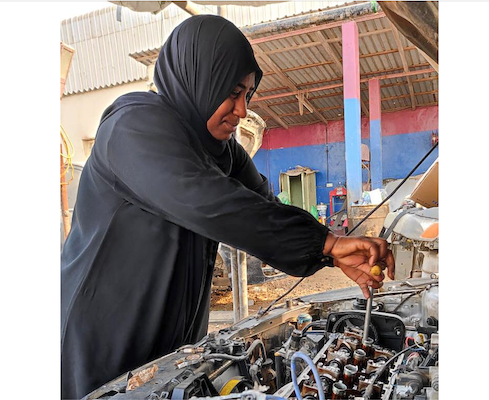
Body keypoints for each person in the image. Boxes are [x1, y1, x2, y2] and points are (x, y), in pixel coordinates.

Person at [61, 15, 394, 399]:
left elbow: (263, 209)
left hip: (173, 343)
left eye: (247, 95)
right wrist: (326, 243)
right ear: (201, 79)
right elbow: (210, 202)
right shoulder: (132, 125)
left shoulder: (223, 154)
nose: (241, 110)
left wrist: (334, 254)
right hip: (102, 339)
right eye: (232, 92)